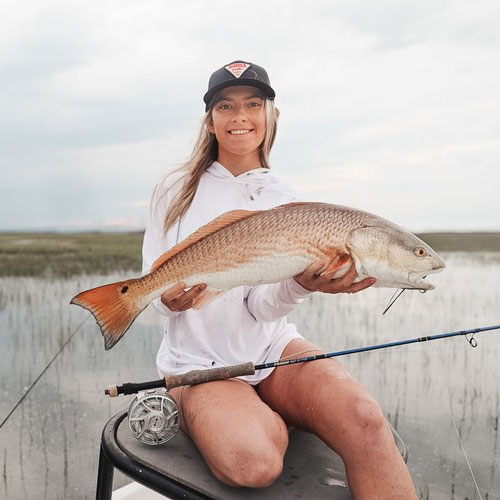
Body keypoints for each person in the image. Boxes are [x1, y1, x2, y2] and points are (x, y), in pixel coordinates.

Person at [142, 60, 418, 499]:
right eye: (226, 106)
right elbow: (153, 286)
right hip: (198, 364)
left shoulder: (287, 199)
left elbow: (260, 308)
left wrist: (303, 284)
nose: (240, 117)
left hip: (273, 349)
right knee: (255, 464)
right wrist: (166, 301)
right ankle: (259, 413)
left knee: (365, 420)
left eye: (254, 104)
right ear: (210, 122)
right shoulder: (174, 190)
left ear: (271, 115)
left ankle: (269, 405)